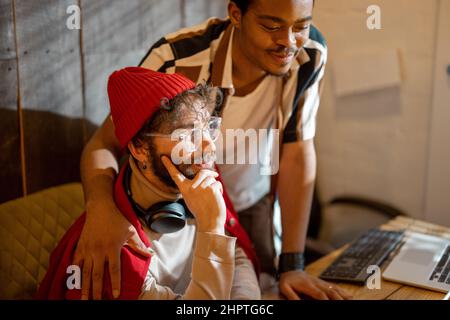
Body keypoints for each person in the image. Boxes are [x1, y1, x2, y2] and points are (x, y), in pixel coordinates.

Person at [77, 0, 352, 300]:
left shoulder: (309, 53)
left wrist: (293, 264)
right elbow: (103, 144)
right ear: (236, 14)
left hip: (249, 204)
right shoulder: (175, 60)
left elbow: (297, 150)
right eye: (271, 26)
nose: (288, 42)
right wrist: (101, 208)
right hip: (173, 205)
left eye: (301, 26)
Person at [37, 67, 260, 300]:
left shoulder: (200, 174)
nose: (210, 147)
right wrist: (212, 228)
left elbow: (237, 256)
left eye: (208, 127)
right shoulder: (114, 248)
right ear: (139, 148)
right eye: (186, 136)